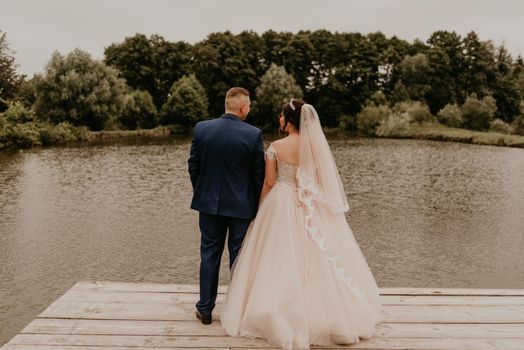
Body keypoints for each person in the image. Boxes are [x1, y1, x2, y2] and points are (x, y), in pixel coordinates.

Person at [220, 98, 382, 349]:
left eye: (281, 116)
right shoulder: (315, 147)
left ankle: (279, 307)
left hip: (281, 202)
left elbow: (270, 182)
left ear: (288, 120)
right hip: (309, 202)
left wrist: (260, 209)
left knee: (278, 256)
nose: (279, 119)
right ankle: (327, 311)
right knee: (318, 255)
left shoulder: (275, 146)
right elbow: (318, 178)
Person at [188, 87, 265, 325]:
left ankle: (205, 309)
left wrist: (202, 191)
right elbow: (258, 175)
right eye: (249, 105)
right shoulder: (252, 134)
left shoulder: (202, 129)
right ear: (243, 107)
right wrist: (256, 204)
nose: (249, 109)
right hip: (242, 207)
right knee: (239, 257)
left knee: (209, 254)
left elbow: (193, 166)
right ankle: (237, 308)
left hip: (208, 204)